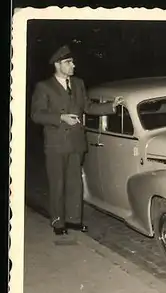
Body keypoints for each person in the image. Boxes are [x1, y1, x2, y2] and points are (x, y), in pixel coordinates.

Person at [30, 44, 124, 235]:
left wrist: (110, 106)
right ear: (58, 65)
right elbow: (36, 115)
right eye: (68, 62)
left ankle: (74, 220)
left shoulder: (79, 83)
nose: (73, 65)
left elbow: (88, 107)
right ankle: (58, 222)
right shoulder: (44, 87)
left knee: (75, 183)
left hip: (76, 142)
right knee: (57, 184)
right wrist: (60, 118)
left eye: (72, 62)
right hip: (56, 144)